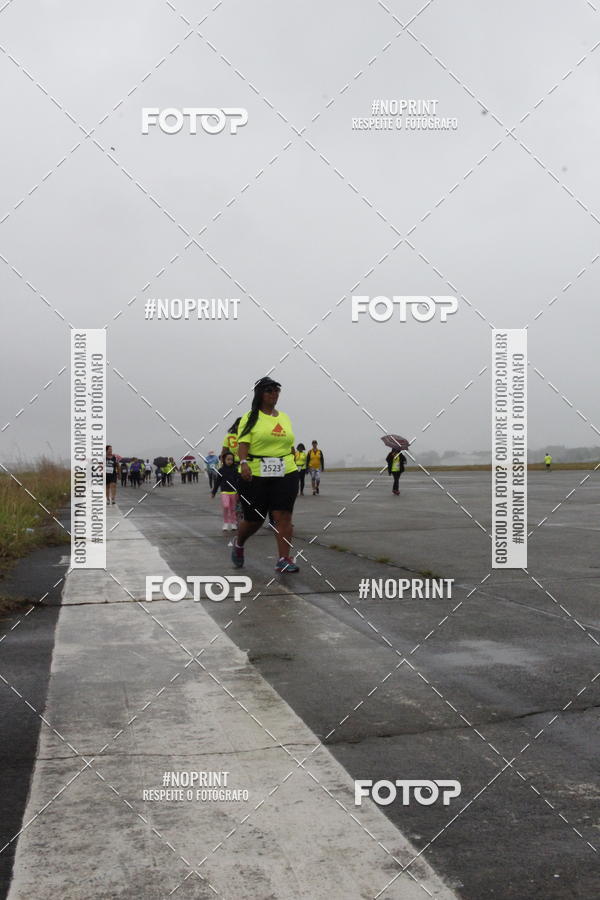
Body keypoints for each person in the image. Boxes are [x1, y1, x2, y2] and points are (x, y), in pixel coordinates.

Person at [231, 377, 299, 573]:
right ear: (260, 394)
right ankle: (240, 542)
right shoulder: (250, 417)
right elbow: (242, 444)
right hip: (255, 472)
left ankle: (284, 559)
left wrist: (291, 455)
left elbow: (287, 441)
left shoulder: (284, 417)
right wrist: (243, 463)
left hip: (285, 470)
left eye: (277, 390)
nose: (274, 394)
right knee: (255, 519)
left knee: (283, 515)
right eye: (269, 390)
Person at [211, 452, 239, 531]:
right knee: (226, 506)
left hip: (233, 492)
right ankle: (226, 523)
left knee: (233, 509)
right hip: (224, 492)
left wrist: (239, 491)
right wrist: (214, 492)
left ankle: (233, 523)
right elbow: (217, 482)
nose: (230, 461)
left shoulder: (235, 469)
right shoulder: (221, 470)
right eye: (228, 459)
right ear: (224, 460)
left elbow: (238, 481)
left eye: (231, 459)